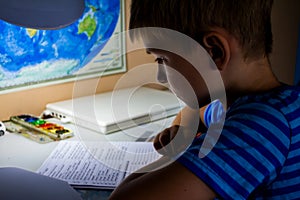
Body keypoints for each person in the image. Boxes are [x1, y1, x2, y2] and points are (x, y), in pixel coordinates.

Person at [109, 0, 300, 199]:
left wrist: (177, 156)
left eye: (162, 59)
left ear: (215, 52)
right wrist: (183, 131)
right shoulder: (262, 106)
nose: (161, 77)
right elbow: (193, 113)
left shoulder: (261, 127)